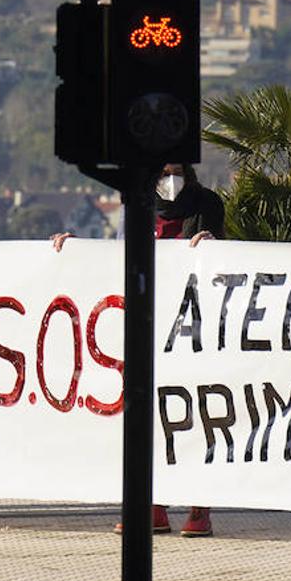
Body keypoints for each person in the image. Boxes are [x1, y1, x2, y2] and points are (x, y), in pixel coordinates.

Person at [51, 163, 223, 537]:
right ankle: (152, 506)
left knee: (193, 416)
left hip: (191, 330)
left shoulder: (206, 203)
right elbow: (118, 254)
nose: (170, 178)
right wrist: (76, 250)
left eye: (176, 171)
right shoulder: (139, 206)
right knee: (146, 418)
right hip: (145, 326)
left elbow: (223, 259)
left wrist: (210, 248)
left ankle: (199, 507)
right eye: (163, 171)